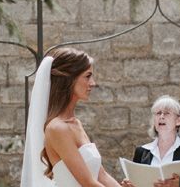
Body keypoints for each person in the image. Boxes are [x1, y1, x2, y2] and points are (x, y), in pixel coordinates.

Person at [21, 47, 121, 187]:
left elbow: (101, 176)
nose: (93, 83)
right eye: (87, 76)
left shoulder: (76, 124)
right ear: (69, 79)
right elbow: (88, 183)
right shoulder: (57, 128)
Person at [122, 95, 180, 187]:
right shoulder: (141, 152)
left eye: (167, 113)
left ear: (178, 121)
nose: (161, 116)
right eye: (158, 113)